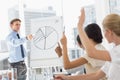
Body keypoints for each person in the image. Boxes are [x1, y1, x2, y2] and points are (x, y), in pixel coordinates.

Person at [54, 8, 120, 80]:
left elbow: (91, 53)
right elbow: (96, 75)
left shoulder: (117, 52)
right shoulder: (113, 52)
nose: (103, 34)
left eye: (104, 31)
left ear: (109, 32)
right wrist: (67, 78)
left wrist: (79, 25)